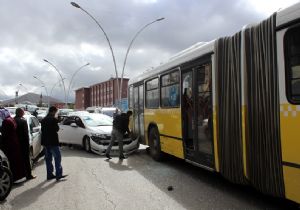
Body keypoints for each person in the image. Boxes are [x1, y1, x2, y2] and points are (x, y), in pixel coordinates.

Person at [0, 108, 26, 182]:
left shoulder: (6, 121)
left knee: (12, 162)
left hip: (9, 144)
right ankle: (18, 177)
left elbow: (4, 134)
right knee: (15, 161)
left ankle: (14, 178)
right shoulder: (11, 119)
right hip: (14, 143)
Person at [41, 106, 66, 181]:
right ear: (53, 111)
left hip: (46, 142)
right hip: (53, 142)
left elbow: (42, 130)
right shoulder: (53, 119)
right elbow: (57, 129)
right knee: (57, 158)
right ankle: (58, 175)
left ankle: (49, 175)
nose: (56, 113)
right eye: (56, 111)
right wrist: (57, 121)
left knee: (48, 159)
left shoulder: (44, 119)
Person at [14, 108, 36, 180]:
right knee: (26, 160)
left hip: (15, 144)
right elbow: (26, 134)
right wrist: (27, 145)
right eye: (23, 112)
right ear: (20, 113)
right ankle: (28, 175)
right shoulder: (23, 121)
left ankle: (18, 175)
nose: (24, 113)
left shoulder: (13, 120)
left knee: (17, 160)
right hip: (23, 144)